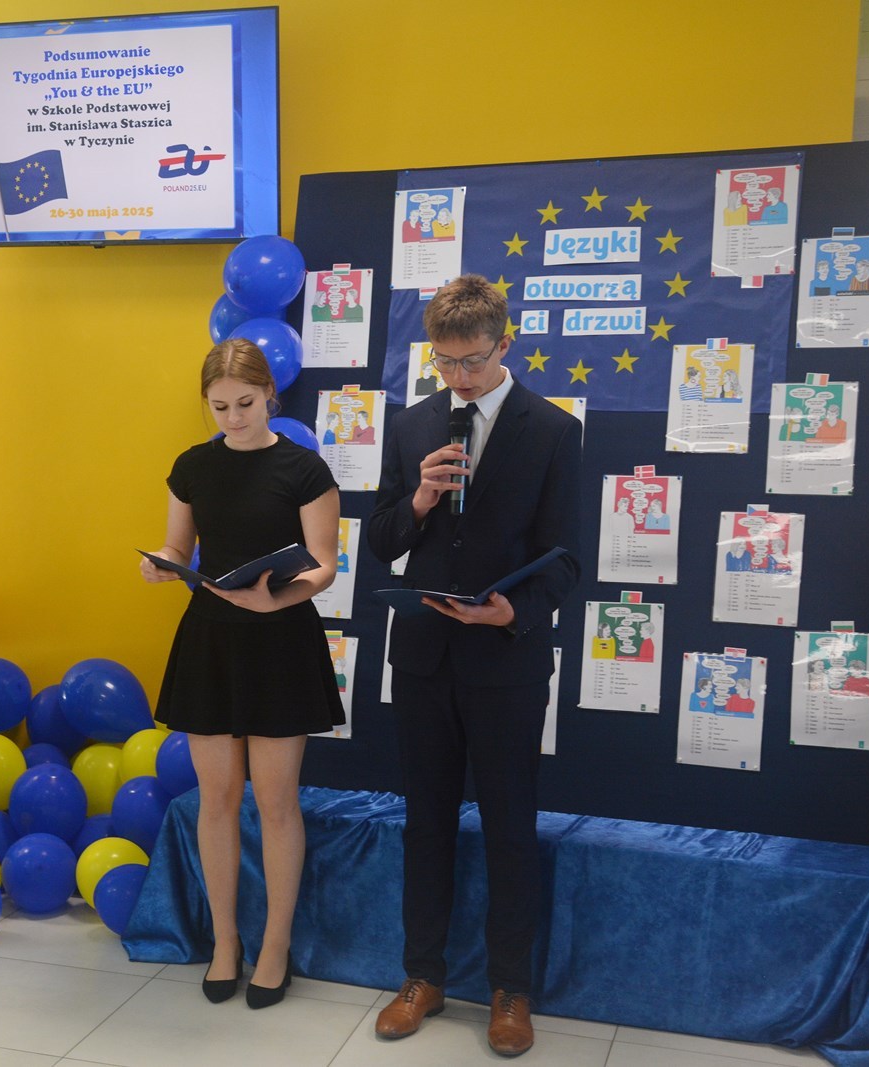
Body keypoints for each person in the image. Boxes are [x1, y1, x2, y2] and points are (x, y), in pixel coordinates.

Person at [366, 274, 581, 1057]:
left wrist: (513, 612)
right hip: (424, 658)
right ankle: (422, 975)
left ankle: (509, 988)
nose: (458, 375)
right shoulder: (411, 423)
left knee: (509, 828)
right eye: (445, 360)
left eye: (472, 360)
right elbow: (380, 539)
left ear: (504, 343)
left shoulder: (552, 429)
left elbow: (567, 558)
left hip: (505, 660)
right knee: (425, 822)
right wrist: (418, 500)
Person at [141, 337, 343, 1010]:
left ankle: (275, 946)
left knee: (277, 802)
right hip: (212, 636)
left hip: (280, 637)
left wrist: (275, 599)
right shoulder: (192, 465)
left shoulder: (304, 468)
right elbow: (178, 544)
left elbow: (324, 563)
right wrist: (160, 563)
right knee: (217, 798)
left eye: (245, 404)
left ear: (270, 396)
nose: (232, 418)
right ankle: (225, 942)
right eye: (220, 406)